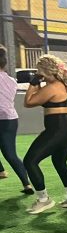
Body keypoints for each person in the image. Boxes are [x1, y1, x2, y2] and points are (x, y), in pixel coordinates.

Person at [22, 54, 67, 213]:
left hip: (58, 129)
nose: (36, 73)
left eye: (38, 70)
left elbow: (28, 102)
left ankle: (43, 199)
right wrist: (38, 84)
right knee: (60, 162)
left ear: (44, 70)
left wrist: (33, 84)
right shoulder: (63, 84)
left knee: (30, 161)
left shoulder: (52, 87)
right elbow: (43, 98)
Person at [0, 45, 33, 194]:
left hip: (2, 119)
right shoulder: (12, 81)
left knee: (9, 153)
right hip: (10, 119)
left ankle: (1, 171)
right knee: (10, 153)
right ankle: (27, 184)